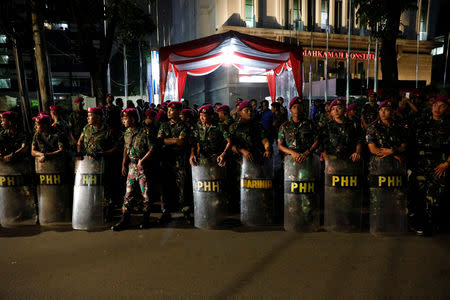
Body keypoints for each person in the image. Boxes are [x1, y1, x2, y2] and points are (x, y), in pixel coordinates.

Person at [112, 108, 156, 230]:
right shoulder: (127, 133)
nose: (123, 121)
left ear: (133, 119)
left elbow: (152, 148)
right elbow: (126, 148)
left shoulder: (145, 131)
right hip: (131, 167)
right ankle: (124, 218)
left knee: (145, 194)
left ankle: (146, 219)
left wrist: (142, 160)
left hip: (143, 167)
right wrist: (123, 164)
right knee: (128, 193)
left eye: (125, 118)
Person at [412, 95, 450, 235]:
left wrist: (447, 163)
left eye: (441, 106)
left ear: (447, 108)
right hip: (421, 167)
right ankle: (421, 225)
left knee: (435, 198)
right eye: (435, 105)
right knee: (420, 197)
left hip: (439, 168)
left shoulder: (448, 125)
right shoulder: (422, 123)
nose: (437, 108)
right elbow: (413, 144)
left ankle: (434, 225)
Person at [77, 107, 119, 220]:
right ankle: (92, 210)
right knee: (90, 188)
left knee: (105, 188)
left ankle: (108, 210)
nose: (88, 118)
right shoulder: (86, 128)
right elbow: (79, 142)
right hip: (88, 165)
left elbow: (116, 147)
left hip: (104, 163)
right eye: (88, 115)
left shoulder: (107, 130)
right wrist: (79, 154)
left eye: (91, 115)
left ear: (99, 117)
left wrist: (103, 153)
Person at [157, 101, 190, 223]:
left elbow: (182, 142)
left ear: (178, 111)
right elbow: (159, 141)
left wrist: (167, 141)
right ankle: (166, 212)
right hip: (166, 161)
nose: (169, 112)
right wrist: (175, 141)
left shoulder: (184, 125)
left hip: (179, 161)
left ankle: (185, 211)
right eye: (168, 110)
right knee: (166, 187)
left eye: (172, 110)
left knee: (182, 187)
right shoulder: (164, 125)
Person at [278, 97, 318, 164]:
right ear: (290, 110)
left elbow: (317, 140)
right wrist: (292, 153)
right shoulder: (284, 126)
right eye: (294, 107)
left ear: (303, 109)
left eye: (299, 107)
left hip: (307, 159)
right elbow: (280, 145)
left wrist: (307, 153)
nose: (297, 109)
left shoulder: (310, 124)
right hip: (290, 159)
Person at [366, 99, 407, 164]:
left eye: (386, 110)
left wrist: (392, 151)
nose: (383, 112)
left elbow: (404, 146)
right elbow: (373, 149)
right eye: (381, 110)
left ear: (392, 112)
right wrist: (392, 154)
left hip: (397, 163)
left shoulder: (398, 127)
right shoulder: (373, 128)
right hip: (378, 163)